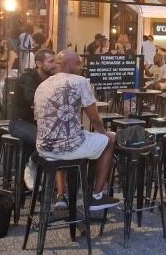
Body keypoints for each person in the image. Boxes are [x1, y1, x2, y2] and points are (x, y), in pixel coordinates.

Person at [34, 50, 119, 212]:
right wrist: (103, 134)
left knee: (73, 137)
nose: (81, 67)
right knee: (110, 139)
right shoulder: (80, 81)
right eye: (78, 63)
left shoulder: (43, 84)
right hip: (68, 148)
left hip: (44, 149)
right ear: (69, 65)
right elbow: (94, 118)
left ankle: (62, 195)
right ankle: (97, 196)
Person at [10, 49, 70, 207]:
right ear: (38, 63)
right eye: (51, 62)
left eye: (55, 62)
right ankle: (33, 162)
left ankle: (52, 189)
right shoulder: (28, 78)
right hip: (21, 122)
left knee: (64, 138)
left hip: (42, 124)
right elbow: (34, 101)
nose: (54, 66)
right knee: (50, 139)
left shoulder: (53, 79)